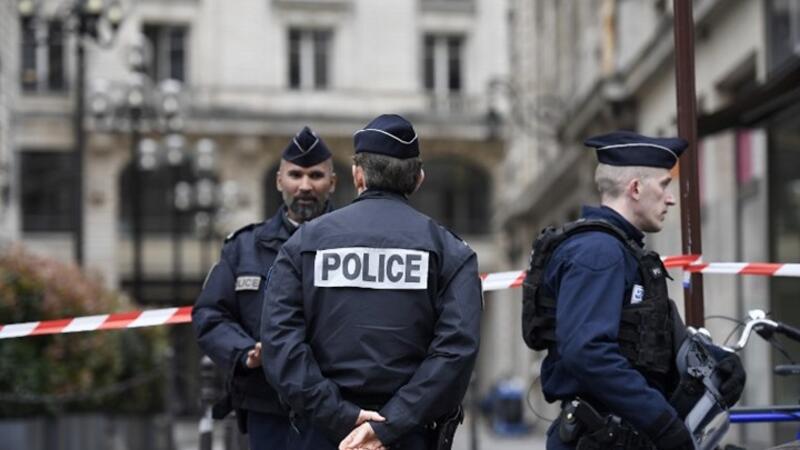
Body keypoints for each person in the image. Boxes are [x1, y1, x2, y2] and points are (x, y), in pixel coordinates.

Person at [260, 114, 482, 450]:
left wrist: (341, 416)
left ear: (357, 174)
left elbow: (281, 346)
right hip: (410, 435)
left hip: (322, 434)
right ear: (418, 178)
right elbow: (455, 352)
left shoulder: (302, 244)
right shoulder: (450, 252)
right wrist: (389, 425)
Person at [521, 131, 746, 450]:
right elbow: (588, 353)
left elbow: (645, 337)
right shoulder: (599, 253)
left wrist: (719, 361)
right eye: (664, 185)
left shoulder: (620, 249)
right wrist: (662, 424)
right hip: (601, 438)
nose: (670, 198)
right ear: (636, 188)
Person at [192, 126, 338, 450]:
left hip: (334, 408)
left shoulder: (355, 245)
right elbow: (210, 314)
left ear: (332, 182)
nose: (305, 186)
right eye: (295, 175)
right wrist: (244, 352)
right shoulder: (244, 247)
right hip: (267, 409)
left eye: (315, 175)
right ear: (279, 181)